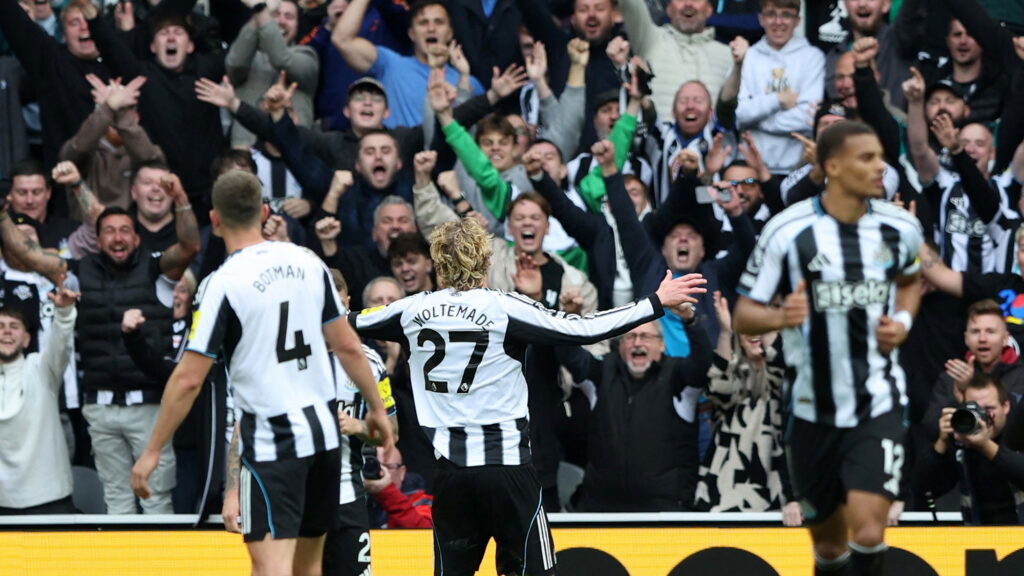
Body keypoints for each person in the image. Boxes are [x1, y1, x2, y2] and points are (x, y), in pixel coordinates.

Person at [351, 216, 707, 576]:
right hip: (508, 472)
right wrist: (655, 302)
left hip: (451, 476)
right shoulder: (504, 307)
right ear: (486, 260)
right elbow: (582, 328)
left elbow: (345, 323)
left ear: (438, 261)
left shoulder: (410, 310)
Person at [131, 170, 393, 576]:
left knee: (272, 569)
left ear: (215, 220)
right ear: (265, 211)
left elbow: (188, 378)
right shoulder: (309, 263)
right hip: (324, 440)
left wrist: (151, 451)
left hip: (275, 443)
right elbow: (347, 346)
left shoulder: (222, 283)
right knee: (308, 570)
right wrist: (375, 407)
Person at [734, 121, 923, 576]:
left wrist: (902, 320)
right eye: (867, 158)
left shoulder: (900, 227)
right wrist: (782, 317)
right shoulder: (787, 230)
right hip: (810, 408)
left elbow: (911, 281)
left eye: (881, 156)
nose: (880, 167)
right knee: (830, 544)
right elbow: (744, 314)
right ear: (832, 166)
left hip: (876, 399)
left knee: (869, 530)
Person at [0, 289, 80, 514]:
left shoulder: (41, 368)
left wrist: (64, 312)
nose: (6, 331)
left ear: (26, 339)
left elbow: (60, 345)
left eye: (14, 326)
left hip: (50, 500)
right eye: (0, 326)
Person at [916, 373, 1024, 524]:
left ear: (1006, 406)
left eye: (989, 409)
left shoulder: (1018, 431)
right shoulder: (961, 436)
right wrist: (942, 442)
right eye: (974, 409)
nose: (981, 417)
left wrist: (984, 444)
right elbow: (924, 490)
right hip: (976, 535)